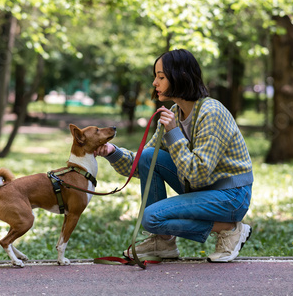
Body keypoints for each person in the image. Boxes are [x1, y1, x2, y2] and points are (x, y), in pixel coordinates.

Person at [95, 49, 254, 262]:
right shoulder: (176, 113)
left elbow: (198, 174)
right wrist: (111, 152)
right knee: (150, 155)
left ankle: (229, 228)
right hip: (203, 190)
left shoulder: (212, 112)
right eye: (156, 77)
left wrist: (173, 133)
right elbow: (142, 162)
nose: (154, 82)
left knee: (151, 217)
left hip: (231, 196)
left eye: (161, 77)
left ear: (181, 77)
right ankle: (162, 242)